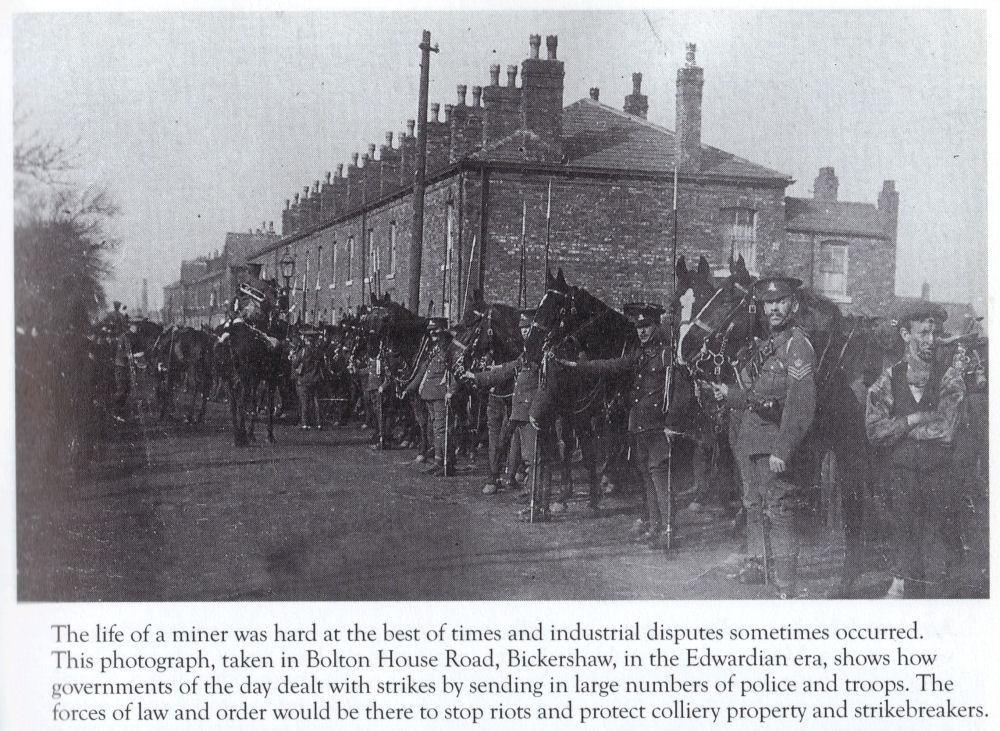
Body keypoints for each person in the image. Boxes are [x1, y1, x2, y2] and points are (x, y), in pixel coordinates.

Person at [706, 276, 816, 598]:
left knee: (779, 510)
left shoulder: (798, 346)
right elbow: (756, 394)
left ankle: (786, 585)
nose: (773, 309)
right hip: (750, 441)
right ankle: (762, 568)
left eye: (780, 301)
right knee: (754, 505)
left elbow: (801, 405)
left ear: (793, 306)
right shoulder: (768, 344)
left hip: (773, 444)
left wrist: (783, 450)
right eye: (769, 303)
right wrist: (729, 393)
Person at [866, 302, 965, 598]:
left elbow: (946, 430)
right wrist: (914, 418)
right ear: (905, 335)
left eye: (934, 333)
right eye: (923, 333)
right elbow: (873, 431)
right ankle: (901, 587)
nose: (931, 340)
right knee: (903, 537)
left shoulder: (950, 378)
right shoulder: (888, 379)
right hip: (901, 477)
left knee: (938, 543)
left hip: (938, 478)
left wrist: (899, 429)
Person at [557, 303, 676, 543]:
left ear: (656, 327)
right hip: (639, 426)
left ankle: (669, 530)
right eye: (639, 327)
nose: (642, 332)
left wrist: (671, 423)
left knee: (660, 478)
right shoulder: (638, 355)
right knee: (647, 476)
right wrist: (578, 366)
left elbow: (676, 392)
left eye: (646, 327)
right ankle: (655, 526)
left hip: (657, 427)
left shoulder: (666, 356)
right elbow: (612, 365)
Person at [462, 310, 539, 501]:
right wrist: (478, 376)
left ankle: (530, 489)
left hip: (530, 406)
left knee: (530, 450)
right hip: (516, 403)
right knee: (516, 442)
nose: (524, 333)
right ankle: (513, 480)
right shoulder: (524, 354)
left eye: (527, 329)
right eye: (522, 330)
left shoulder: (536, 353)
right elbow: (507, 369)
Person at [404, 317, 456, 475]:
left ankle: (445, 463)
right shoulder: (433, 349)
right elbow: (422, 372)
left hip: (441, 395)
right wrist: (409, 388)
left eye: (436, 331)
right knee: (435, 429)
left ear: (443, 332)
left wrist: (452, 390)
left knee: (441, 429)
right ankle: (438, 461)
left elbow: (454, 373)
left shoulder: (449, 350)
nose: (432, 334)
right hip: (429, 395)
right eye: (431, 331)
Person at [292, 329, 329, 430]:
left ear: (306, 340)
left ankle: (305, 424)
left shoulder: (303, 351)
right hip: (316, 379)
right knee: (317, 402)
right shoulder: (319, 351)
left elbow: (295, 364)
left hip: (304, 379)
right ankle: (319, 423)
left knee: (304, 402)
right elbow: (323, 365)